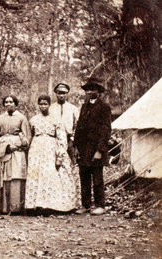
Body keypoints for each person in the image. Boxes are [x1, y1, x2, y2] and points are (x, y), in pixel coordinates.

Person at [25, 95, 80, 213]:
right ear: (38, 105)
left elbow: (61, 137)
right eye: (41, 104)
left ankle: (49, 205)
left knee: (49, 173)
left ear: (49, 105)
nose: (43, 106)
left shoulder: (55, 119)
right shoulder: (33, 119)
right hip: (36, 148)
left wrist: (60, 153)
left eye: (45, 104)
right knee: (36, 173)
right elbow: (30, 136)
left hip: (50, 148)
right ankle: (35, 205)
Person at [0, 95, 31, 214]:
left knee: (15, 175)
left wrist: (18, 145)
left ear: (15, 104)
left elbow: (27, 136)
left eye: (11, 102)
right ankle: (3, 207)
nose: (9, 104)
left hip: (16, 150)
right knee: (2, 175)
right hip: (2, 148)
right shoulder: (0, 118)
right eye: (6, 102)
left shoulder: (22, 118)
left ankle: (16, 207)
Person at [74, 81, 111, 215]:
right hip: (83, 149)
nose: (89, 92)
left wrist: (100, 150)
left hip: (95, 148)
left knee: (97, 178)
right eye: (87, 90)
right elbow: (79, 127)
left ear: (98, 91)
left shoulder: (104, 107)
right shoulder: (84, 107)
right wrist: (76, 146)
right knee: (84, 177)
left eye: (92, 89)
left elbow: (106, 129)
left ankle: (100, 205)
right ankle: (86, 205)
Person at [49, 83, 79, 163]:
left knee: (70, 162)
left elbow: (77, 125)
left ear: (67, 94)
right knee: (54, 162)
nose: (61, 96)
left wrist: (73, 139)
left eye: (64, 93)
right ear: (56, 93)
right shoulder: (50, 108)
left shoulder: (73, 108)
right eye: (59, 93)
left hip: (69, 139)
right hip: (54, 139)